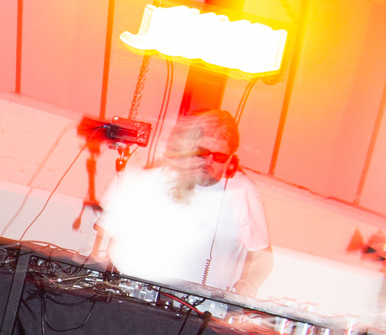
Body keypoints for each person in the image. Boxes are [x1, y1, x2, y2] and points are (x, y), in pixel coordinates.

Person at [94, 110, 273, 299]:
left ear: (231, 161)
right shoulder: (159, 177)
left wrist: (246, 289)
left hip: (205, 309)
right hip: (144, 297)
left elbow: (263, 256)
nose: (208, 162)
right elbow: (112, 234)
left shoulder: (243, 191)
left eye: (219, 157)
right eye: (202, 153)